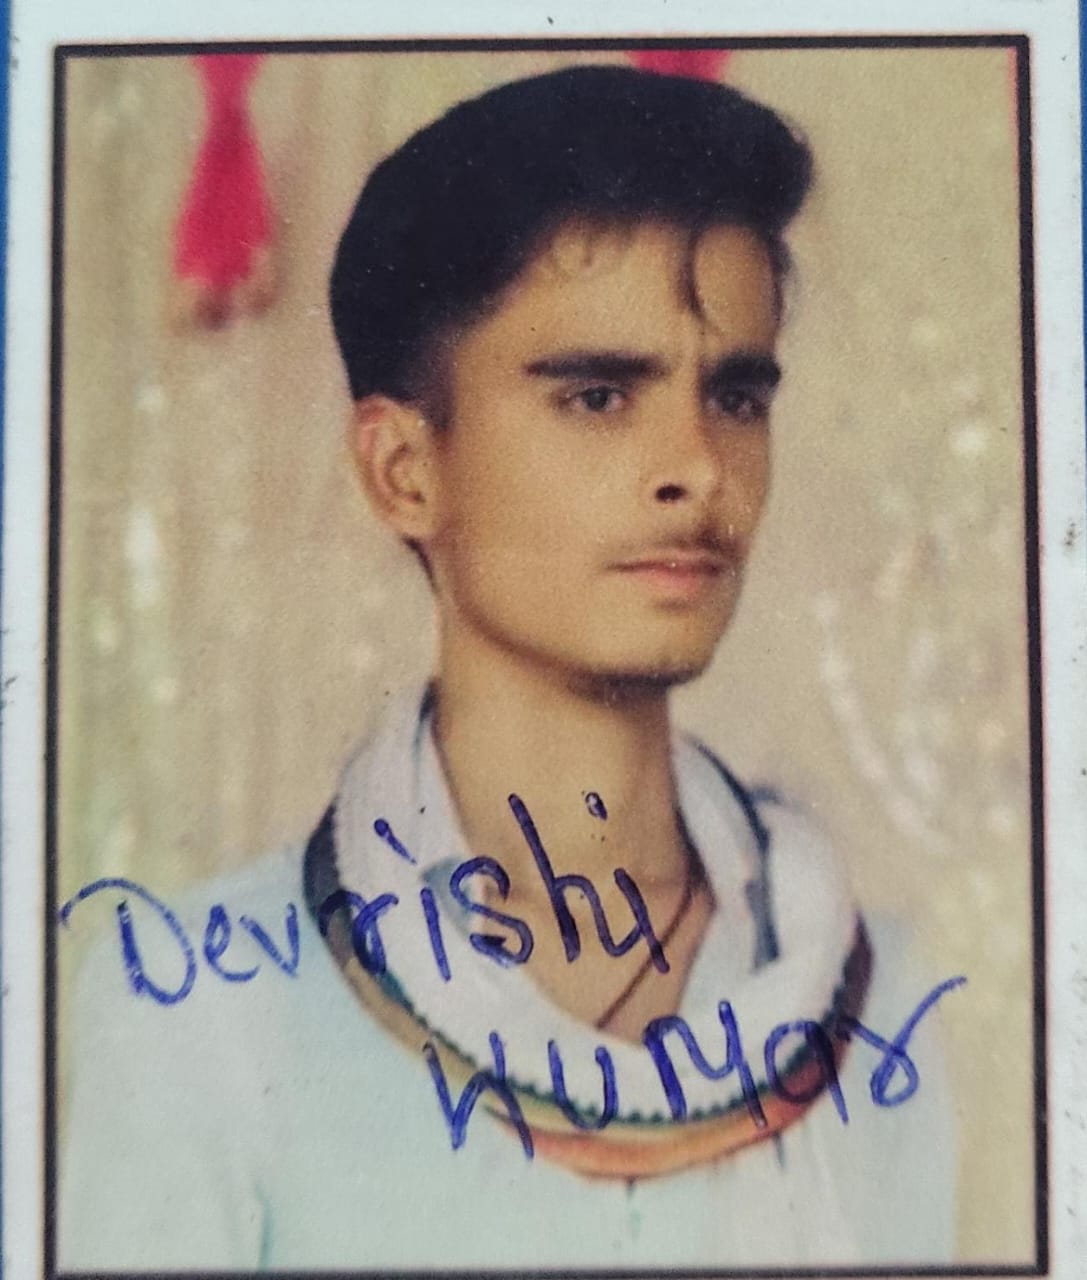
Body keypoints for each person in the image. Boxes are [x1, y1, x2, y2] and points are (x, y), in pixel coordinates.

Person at [60, 64, 956, 1271]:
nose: (698, 466)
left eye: (736, 394)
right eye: (598, 395)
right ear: (402, 470)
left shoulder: (876, 994)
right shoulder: (197, 1008)